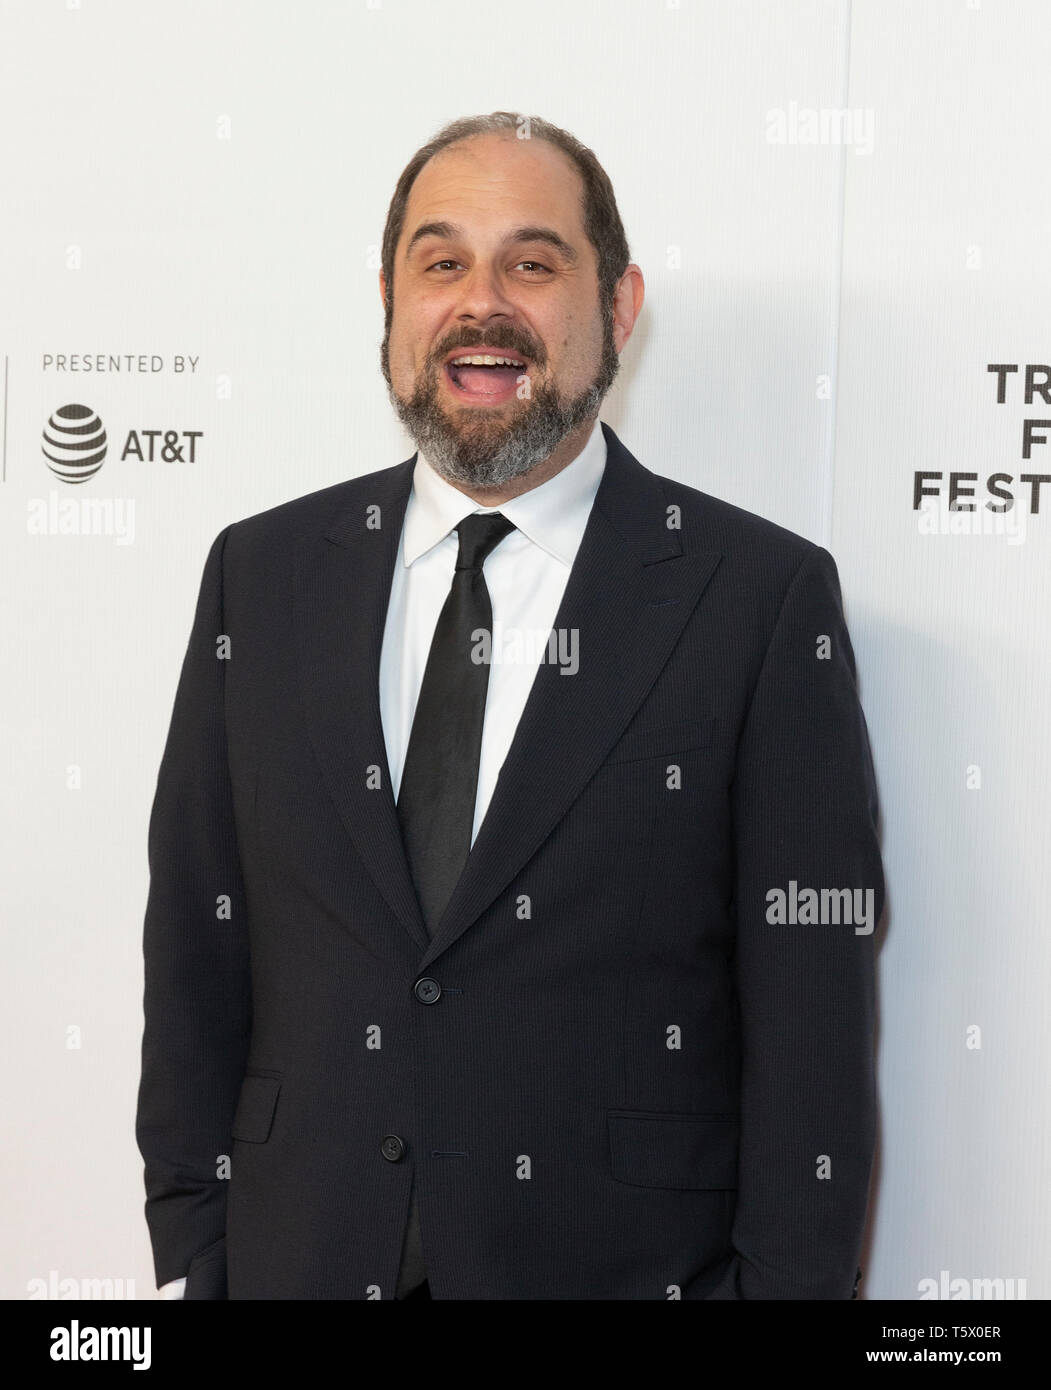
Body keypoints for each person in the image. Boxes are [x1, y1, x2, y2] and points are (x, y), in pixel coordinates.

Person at [136, 111, 883, 1300]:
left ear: (619, 306)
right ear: (390, 300)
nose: (481, 303)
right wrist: (196, 1247)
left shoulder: (756, 597)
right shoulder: (263, 576)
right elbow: (195, 949)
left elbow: (811, 1030)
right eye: (442, 263)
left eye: (533, 264)